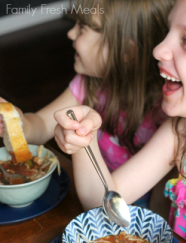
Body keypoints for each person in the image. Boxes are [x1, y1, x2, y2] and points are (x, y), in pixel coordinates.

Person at [0, 0, 175, 208]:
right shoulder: (88, 85)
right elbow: (40, 124)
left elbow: (157, 207)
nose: (71, 33)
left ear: (127, 52)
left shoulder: (168, 112)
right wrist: (17, 123)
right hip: (89, 194)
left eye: (82, 28)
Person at [54, 0, 186, 243]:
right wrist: (82, 139)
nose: (158, 49)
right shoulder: (182, 132)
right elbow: (103, 203)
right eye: (167, 32)